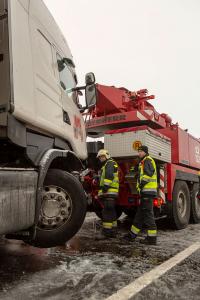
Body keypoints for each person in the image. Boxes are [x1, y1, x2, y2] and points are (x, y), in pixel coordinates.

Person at [124, 145, 158, 245]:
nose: (139, 153)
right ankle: (132, 235)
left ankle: (152, 238)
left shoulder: (147, 160)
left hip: (147, 192)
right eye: (138, 151)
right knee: (140, 214)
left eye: (140, 151)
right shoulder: (143, 161)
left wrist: (142, 184)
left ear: (145, 152)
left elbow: (149, 174)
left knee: (148, 214)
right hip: (145, 192)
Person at [95, 149, 119, 239]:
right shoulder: (109, 164)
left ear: (106, 156)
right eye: (100, 157)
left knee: (107, 212)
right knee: (111, 211)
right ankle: (113, 231)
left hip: (109, 191)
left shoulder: (109, 163)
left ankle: (106, 232)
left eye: (101, 156)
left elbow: (109, 176)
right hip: (112, 192)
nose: (100, 158)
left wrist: (105, 187)